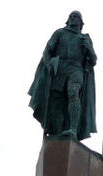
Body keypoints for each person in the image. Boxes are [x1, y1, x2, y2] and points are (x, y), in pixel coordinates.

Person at [27, 10, 97, 141]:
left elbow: (93, 60)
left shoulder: (85, 38)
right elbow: (47, 51)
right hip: (60, 69)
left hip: (76, 70)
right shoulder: (60, 33)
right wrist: (48, 65)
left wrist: (88, 48)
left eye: (76, 16)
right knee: (57, 101)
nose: (72, 18)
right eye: (71, 16)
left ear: (81, 22)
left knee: (73, 92)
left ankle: (73, 129)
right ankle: (57, 131)